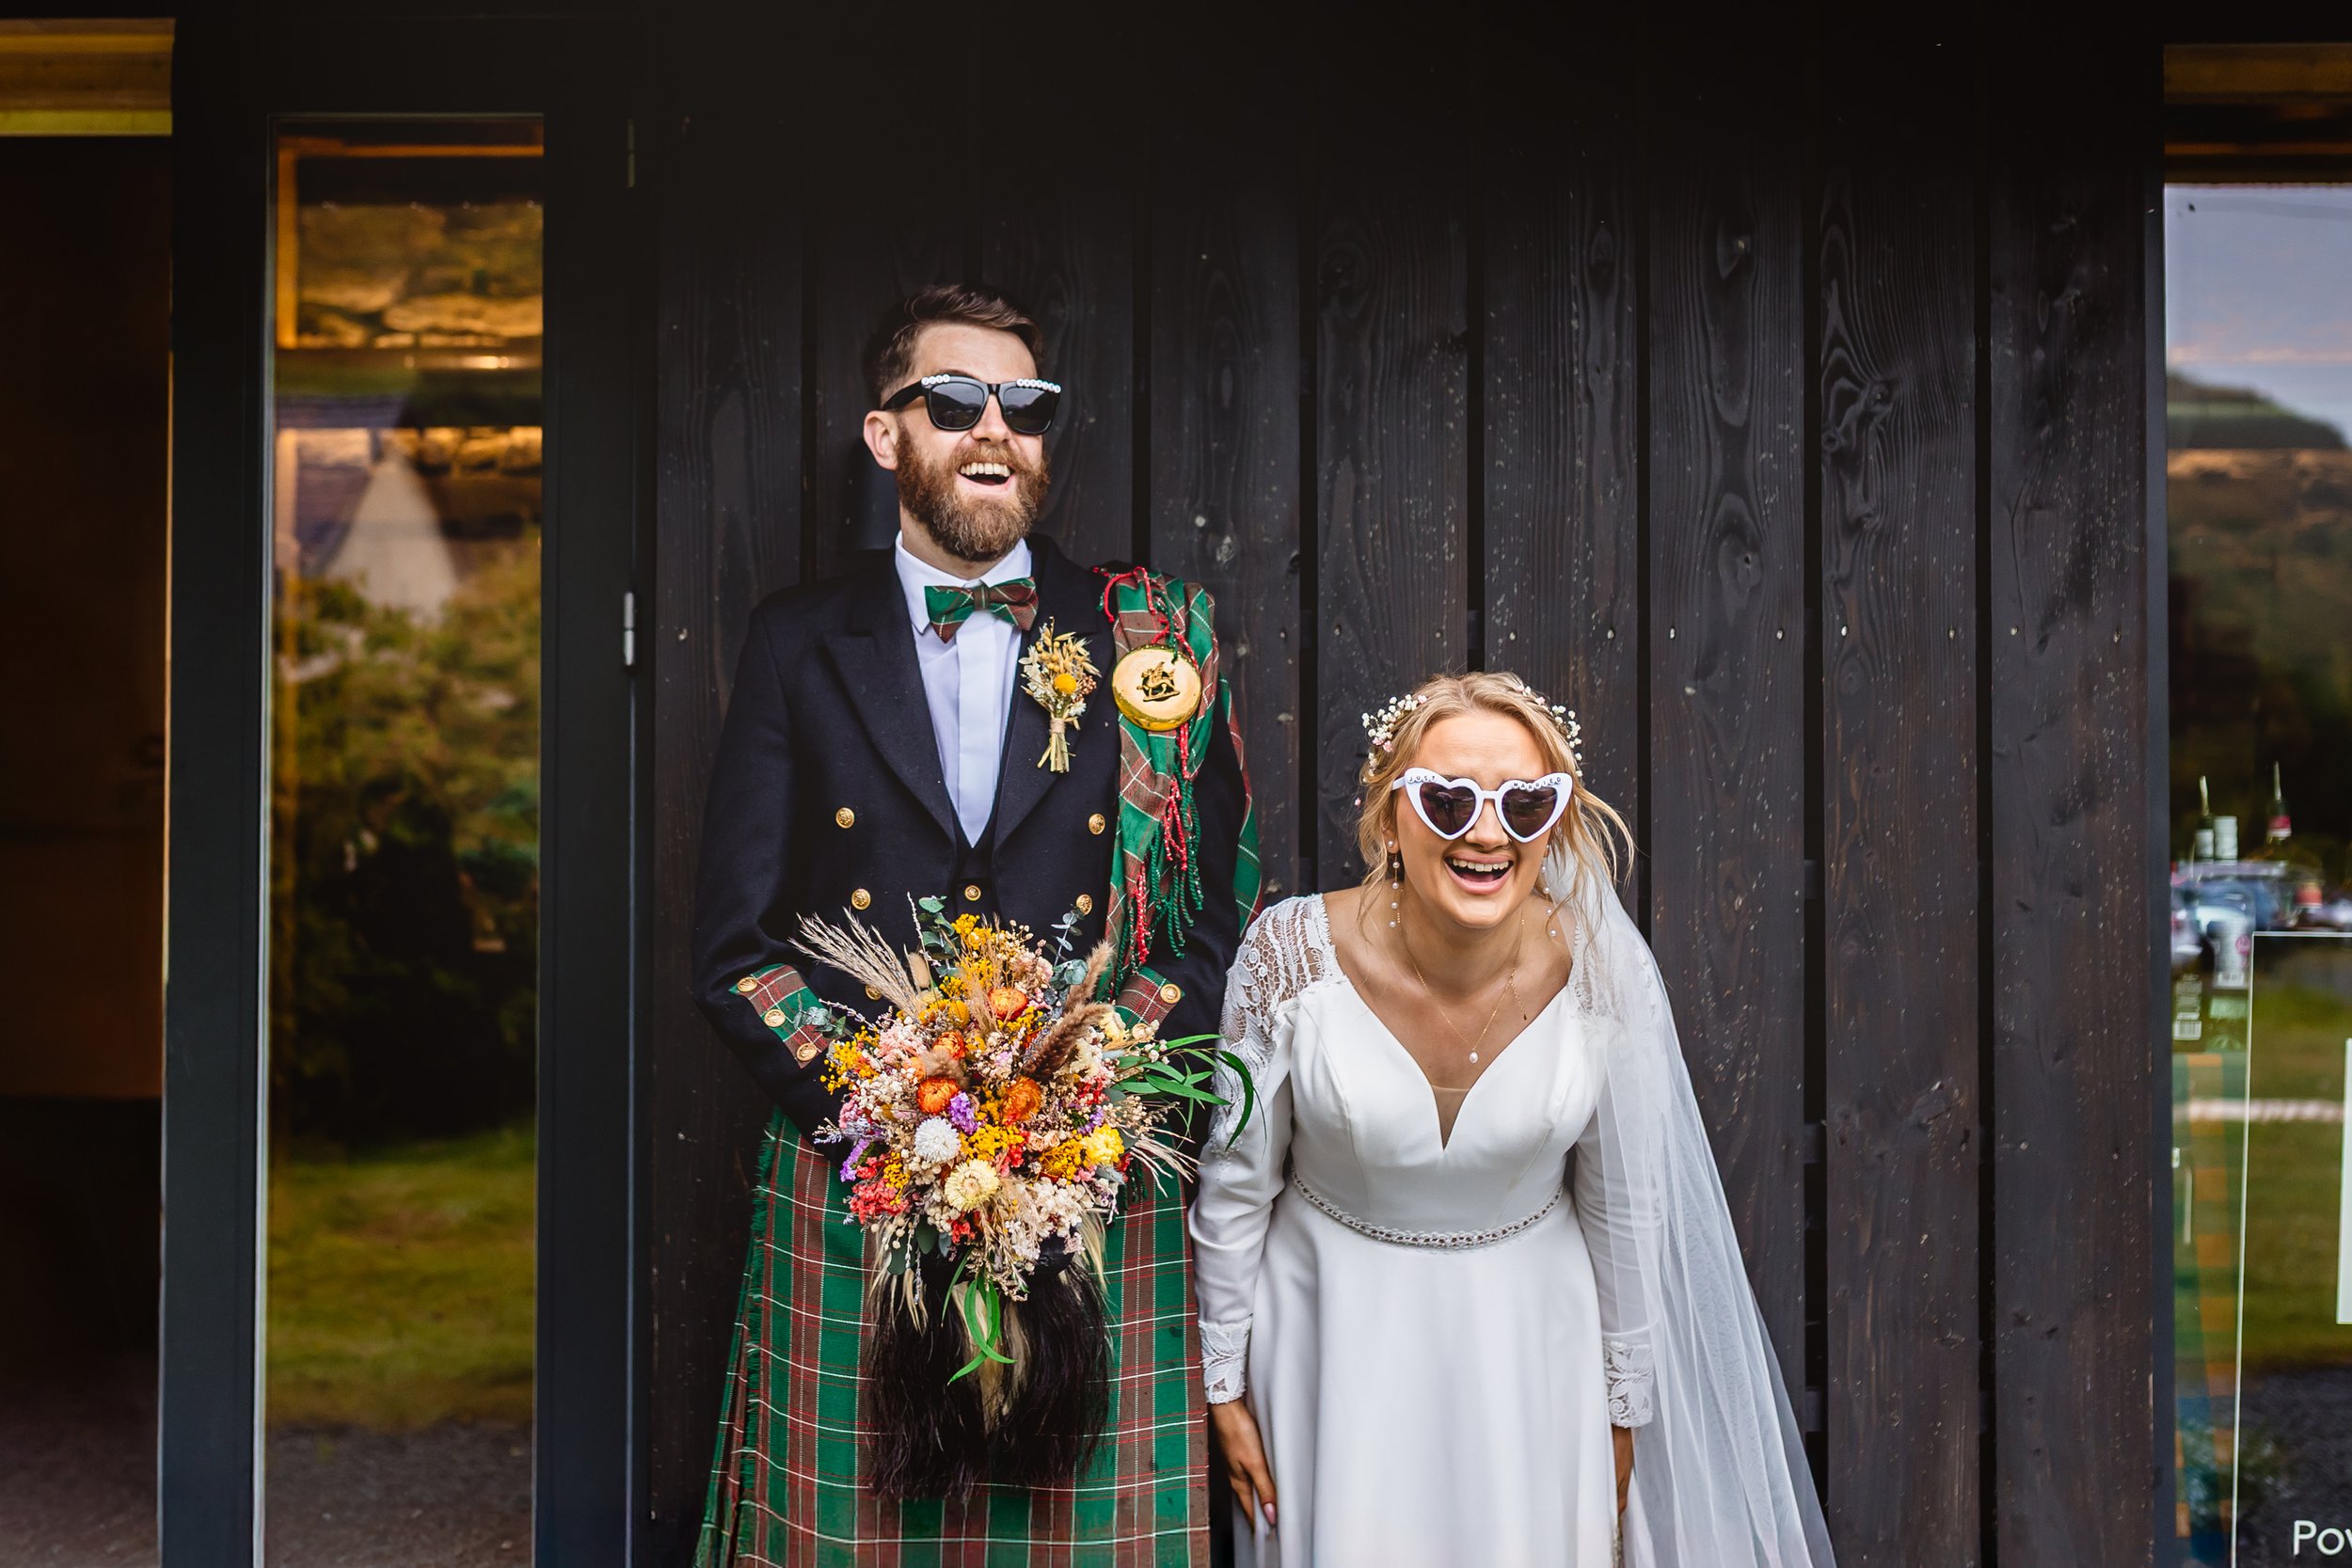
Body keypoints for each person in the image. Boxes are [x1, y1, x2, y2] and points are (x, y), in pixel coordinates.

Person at [691, 282, 1259, 1564]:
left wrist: (1085, 1086)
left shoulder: (1146, 637)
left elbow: (1211, 917)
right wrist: (891, 1106)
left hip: (1092, 1167)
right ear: (887, 435)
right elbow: (734, 950)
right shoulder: (796, 642)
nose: (993, 428)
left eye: (1025, 404)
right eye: (953, 401)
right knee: (858, 1533)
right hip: (865, 1165)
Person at [1191, 672, 1833, 1566]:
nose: (1487, 832)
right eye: (1448, 799)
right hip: (1330, 1342)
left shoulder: (1606, 970)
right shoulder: (1287, 956)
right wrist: (1224, 1385)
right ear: (1388, 820)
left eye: (1526, 804)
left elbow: (1625, 1204)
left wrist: (1623, 1407)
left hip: (1534, 1350)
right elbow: (1234, 1181)